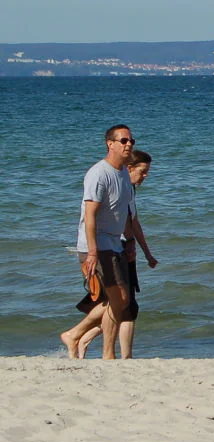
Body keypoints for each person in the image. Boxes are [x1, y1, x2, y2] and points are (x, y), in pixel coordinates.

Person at [59, 125, 138, 359]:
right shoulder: (98, 173)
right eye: (123, 140)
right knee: (119, 299)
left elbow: (123, 212)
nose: (128, 144)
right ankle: (105, 353)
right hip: (97, 245)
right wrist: (92, 252)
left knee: (119, 300)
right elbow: (90, 214)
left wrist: (131, 241)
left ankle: (76, 335)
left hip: (115, 243)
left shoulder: (123, 172)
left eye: (131, 140)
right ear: (110, 143)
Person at [75, 150, 158, 358]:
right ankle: (81, 337)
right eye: (143, 171)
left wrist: (145, 252)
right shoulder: (109, 178)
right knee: (124, 305)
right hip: (109, 248)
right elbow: (126, 222)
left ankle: (88, 340)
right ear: (129, 168)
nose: (146, 176)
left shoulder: (127, 188)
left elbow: (132, 222)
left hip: (119, 248)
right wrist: (93, 251)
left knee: (121, 304)